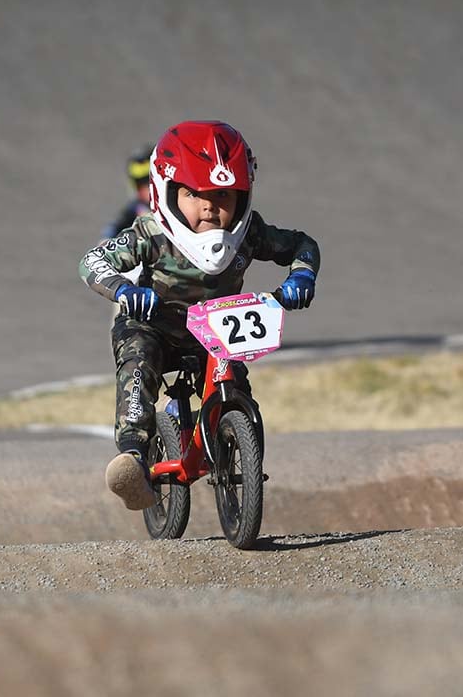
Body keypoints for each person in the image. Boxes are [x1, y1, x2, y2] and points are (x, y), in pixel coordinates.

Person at [78, 120, 320, 510]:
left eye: (224, 194)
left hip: (216, 329)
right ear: (168, 192)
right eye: (195, 194)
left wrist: (302, 275)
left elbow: (301, 245)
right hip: (154, 324)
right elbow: (93, 261)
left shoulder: (251, 233)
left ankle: (236, 442)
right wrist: (125, 290)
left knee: (238, 382)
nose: (210, 206)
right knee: (138, 368)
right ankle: (135, 462)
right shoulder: (150, 233)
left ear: (243, 195)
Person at [100, 144, 154, 240]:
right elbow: (112, 231)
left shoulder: (178, 203)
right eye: (143, 186)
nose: (149, 190)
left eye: (151, 183)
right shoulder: (135, 208)